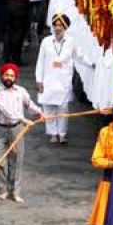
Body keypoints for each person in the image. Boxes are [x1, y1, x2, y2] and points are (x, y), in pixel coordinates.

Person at [0, 63, 44, 203]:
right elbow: (6, 110)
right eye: (6, 75)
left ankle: (15, 192)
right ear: (2, 76)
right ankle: (2, 190)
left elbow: (29, 104)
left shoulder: (21, 91)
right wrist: (24, 120)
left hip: (16, 130)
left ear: (15, 78)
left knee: (16, 161)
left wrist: (40, 112)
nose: (9, 78)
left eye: (12, 76)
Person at [36, 13, 78, 144]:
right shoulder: (46, 41)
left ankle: (62, 134)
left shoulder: (71, 41)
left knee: (63, 108)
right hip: (48, 79)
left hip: (64, 81)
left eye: (60, 25)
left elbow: (79, 56)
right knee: (48, 107)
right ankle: (53, 133)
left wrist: (91, 64)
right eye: (55, 25)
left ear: (65, 27)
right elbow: (40, 61)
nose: (58, 28)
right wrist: (39, 80)